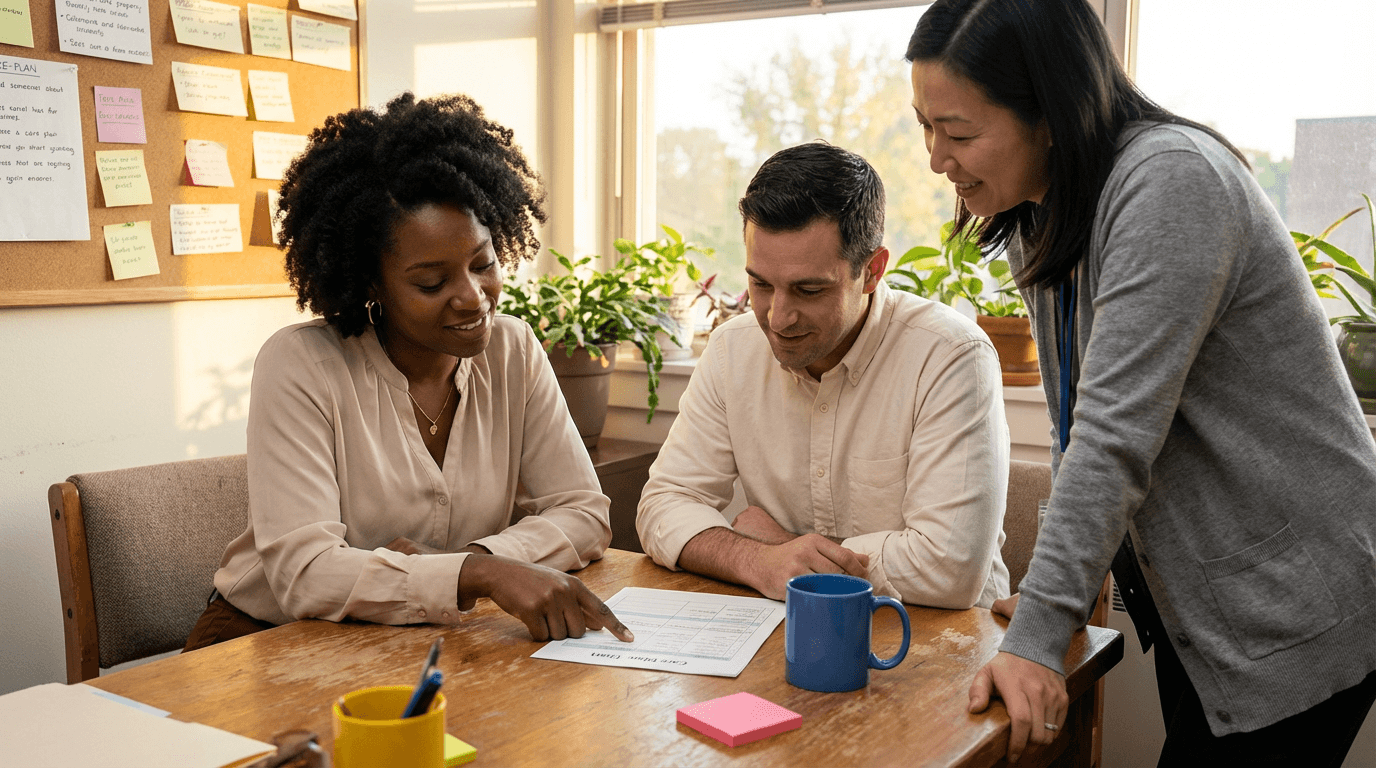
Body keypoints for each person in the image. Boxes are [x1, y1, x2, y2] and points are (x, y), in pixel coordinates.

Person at [905, 1, 1376, 765]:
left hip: (1292, 602)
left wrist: (1042, 626)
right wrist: (1050, 607)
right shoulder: (1045, 209)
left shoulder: (1170, 183)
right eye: (925, 126)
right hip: (1217, 602)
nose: (935, 157)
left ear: (1051, 113)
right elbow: (1077, 420)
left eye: (957, 132)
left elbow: (1112, 435)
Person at [184, 93, 633, 650]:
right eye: (431, 282)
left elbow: (584, 512)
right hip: (267, 638)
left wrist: (473, 561)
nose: (473, 299)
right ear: (371, 283)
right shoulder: (302, 365)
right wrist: (479, 577)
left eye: (483, 263)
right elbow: (304, 575)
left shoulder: (513, 350)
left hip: (422, 640)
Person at [636, 141, 1011, 608]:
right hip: (790, 636)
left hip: (940, 641)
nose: (777, 317)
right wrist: (759, 560)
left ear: (872, 271)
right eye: (760, 284)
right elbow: (662, 505)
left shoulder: (952, 355)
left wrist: (782, 545)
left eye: (808, 289)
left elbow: (949, 568)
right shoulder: (732, 350)